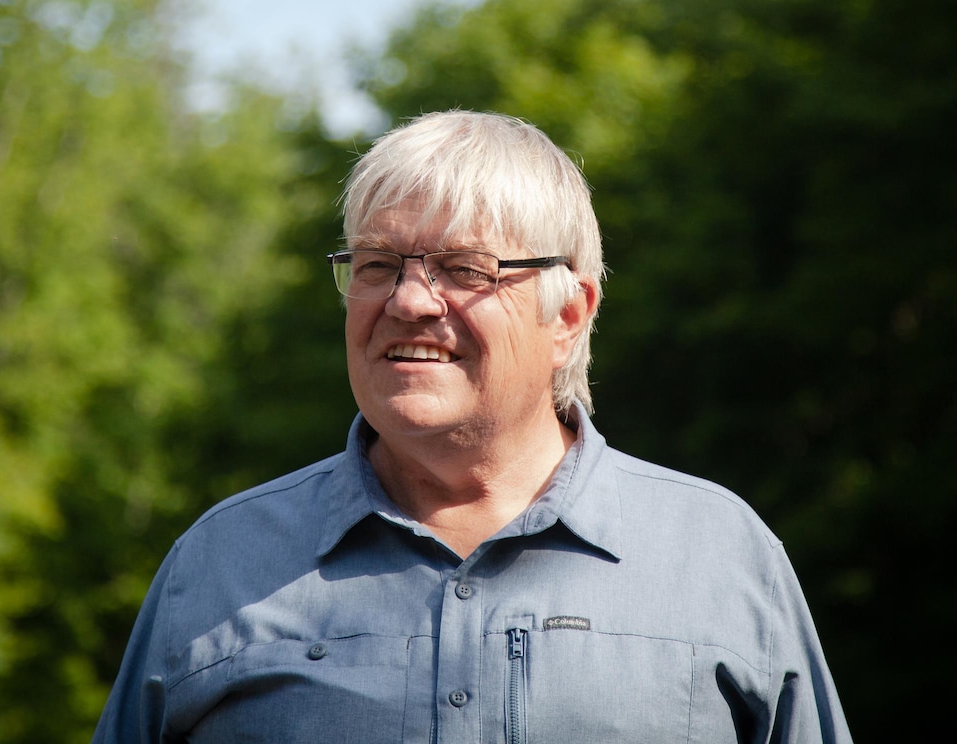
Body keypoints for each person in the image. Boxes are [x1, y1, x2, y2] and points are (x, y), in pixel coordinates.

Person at [93, 110, 852, 743]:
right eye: (377, 264)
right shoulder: (223, 563)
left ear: (570, 314)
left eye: (464, 269)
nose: (411, 301)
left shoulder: (717, 556)